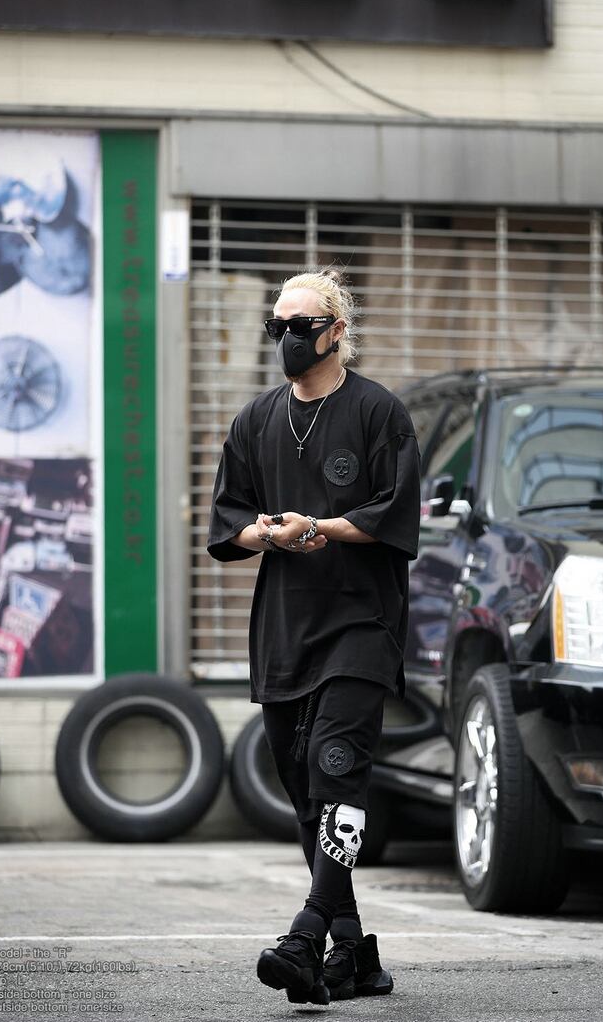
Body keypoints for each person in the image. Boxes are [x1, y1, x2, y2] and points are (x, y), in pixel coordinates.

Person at [207, 267, 421, 1006]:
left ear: (337, 330)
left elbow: (395, 512)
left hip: (362, 624)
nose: (288, 339)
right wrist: (269, 533)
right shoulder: (255, 420)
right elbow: (227, 521)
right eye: (278, 326)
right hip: (283, 630)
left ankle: (305, 935)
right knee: (306, 793)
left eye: (302, 326)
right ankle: (353, 952)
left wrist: (319, 526)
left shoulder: (378, 411)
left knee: (338, 772)